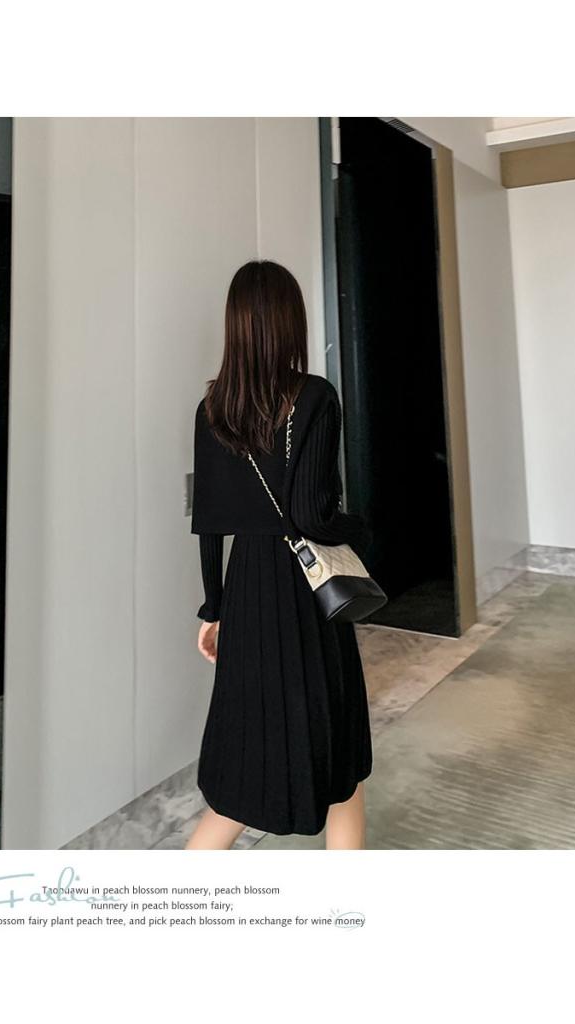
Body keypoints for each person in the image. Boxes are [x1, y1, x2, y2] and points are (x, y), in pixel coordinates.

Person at [186, 259, 372, 850]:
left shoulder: (212, 409)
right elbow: (313, 517)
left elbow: (209, 523)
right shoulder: (314, 397)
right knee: (338, 763)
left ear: (236, 325)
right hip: (303, 590)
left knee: (245, 760)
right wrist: (359, 528)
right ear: (291, 321)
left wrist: (214, 609)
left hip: (245, 587)